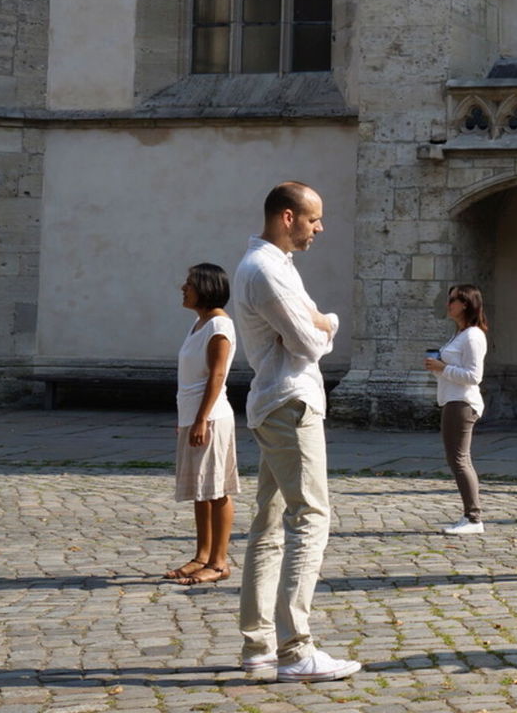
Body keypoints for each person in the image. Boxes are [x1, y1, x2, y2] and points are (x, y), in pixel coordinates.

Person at [232, 182, 360, 682]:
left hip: (279, 401)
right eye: (313, 219)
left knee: (269, 524)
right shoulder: (265, 270)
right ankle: (295, 648)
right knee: (310, 517)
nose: (320, 228)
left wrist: (316, 323)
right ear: (287, 217)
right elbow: (308, 342)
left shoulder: (277, 266)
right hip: (290, 403)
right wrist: (328, 322)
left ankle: (259, 644)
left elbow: (306, 331)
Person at [164, 263, 240, 586]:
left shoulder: (219, 326)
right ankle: (202, 555)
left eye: (190, 283)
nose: (184, 288)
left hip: (211, 418)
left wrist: (201, 420)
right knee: (200, 491)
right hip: (194, 417)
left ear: (207, 288)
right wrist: (186, 419)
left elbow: (217, 375)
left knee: (216, 490)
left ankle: (219, 563)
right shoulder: (199, 324)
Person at [424, 284, 488, 535]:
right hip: (451, 400)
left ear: (465, 304)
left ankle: (473, 517)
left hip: (462, 402)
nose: (448, 304)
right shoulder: (459, 335)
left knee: (460, 460)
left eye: (452, 300)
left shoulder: (473, 336)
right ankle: (471, 515)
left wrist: (443, 368)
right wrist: (438, 368)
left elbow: (474, 376)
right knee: (457, 459)